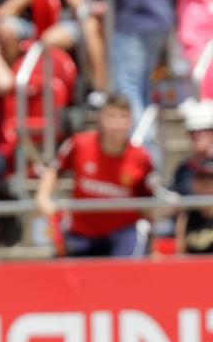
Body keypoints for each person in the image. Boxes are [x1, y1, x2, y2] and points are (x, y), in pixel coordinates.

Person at [34, 93, 155, 257]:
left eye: (122, 117)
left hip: (122, 231)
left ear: (130, 121)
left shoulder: (141, 158)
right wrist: (43, 196)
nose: (116, 124)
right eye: (111, 116)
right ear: (101, 118)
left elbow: (148, 202)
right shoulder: (80, 144)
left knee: (126, 271)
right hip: (82, 231)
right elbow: (54, 169)